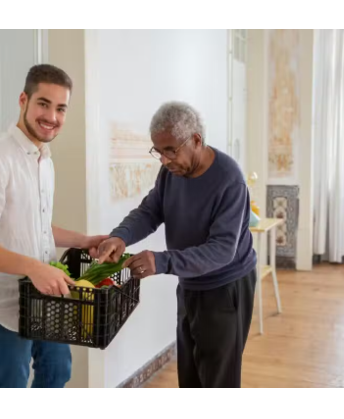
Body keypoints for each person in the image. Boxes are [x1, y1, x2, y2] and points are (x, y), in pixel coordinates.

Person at [0, 64, 107, 388]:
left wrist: (82, 239)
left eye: (60, 108)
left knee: (57, 371)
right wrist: (34, 267)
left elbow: (34, 224)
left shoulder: (43, 159)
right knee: (11, 382)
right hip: (1, 302)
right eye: (43, 104)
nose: (52, 116)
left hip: (43, 295)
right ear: (24, 100)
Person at [96, 102, 257, 389]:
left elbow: (222, 249)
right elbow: (150, 211)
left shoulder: (229, 179)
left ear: (196, 140)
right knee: (191, 374)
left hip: (225, 288)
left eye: (171, 150)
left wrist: (161, 261)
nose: (165, 160)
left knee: (219, 379)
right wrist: (120, 236)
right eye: (159, 151)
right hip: (190, 284)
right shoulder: (171, 173)